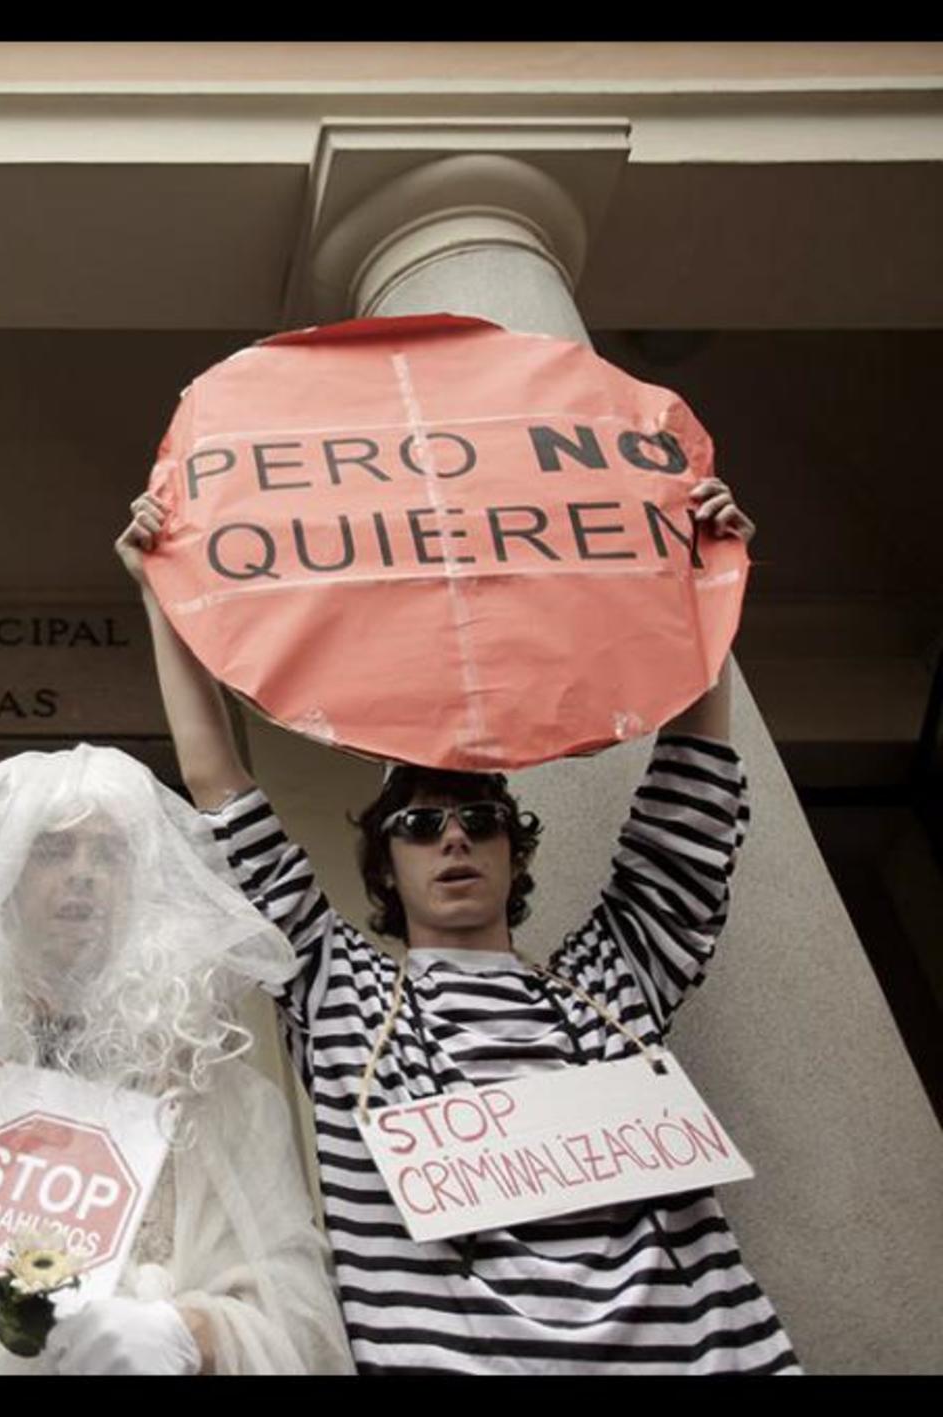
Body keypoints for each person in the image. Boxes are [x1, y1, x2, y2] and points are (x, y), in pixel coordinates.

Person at [114, 478, 800, 1374]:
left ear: (514, 854)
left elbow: (691, 810)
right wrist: (161, 598)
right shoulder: (338, 994)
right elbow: (221, 792)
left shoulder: (612, 982)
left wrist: (709, 582)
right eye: (419, 824)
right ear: (385, 866)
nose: (452, 837)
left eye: (480, 820)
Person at [0, 745, 353, 1375]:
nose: (82, 872)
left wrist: (192, 1333)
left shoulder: (226, 1100)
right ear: (2, 888)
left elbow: (305, 1309)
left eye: (110, 853)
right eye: (51, 850)